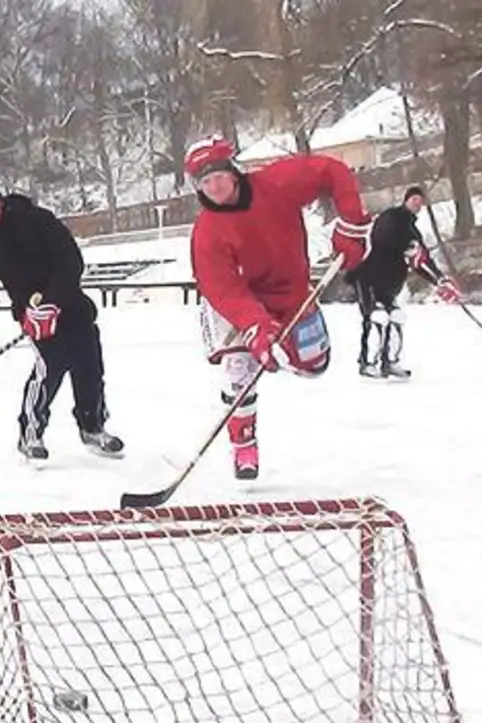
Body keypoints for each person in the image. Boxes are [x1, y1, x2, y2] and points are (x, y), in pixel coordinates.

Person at [185, 135, 372, 480]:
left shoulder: (276, 184)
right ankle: (243, 442)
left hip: (291, 293)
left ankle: (282, 351)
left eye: (219, 177)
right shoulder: (207, 233)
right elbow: (222, 288)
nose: (214, 187)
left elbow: (333, 171)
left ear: (233, 172)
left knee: (313, 365)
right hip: (239, 303)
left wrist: (351, 224)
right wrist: (256, 327)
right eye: (205, 182)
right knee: (240, 369)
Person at [0, 177, 124, 463]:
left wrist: (52, 300)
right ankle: (30, 432)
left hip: (70, 303)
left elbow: (71, 261)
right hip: (32, 316)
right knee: (50, 366)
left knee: (88, 364)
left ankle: (92, 426)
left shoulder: (37, 220)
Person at [344, 185, 463, 379]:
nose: (417, 204)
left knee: (396, 317)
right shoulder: (389, 217)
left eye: (420, 202)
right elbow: (383, 237)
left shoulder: (413, 232)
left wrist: (439, 280)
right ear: (406, 200)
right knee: (377, 317)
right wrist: (405, 248)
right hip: (369, 278)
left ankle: (390, 362)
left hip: (389, 284)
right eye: (414, 199)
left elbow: (422, 260)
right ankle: (368, 363)